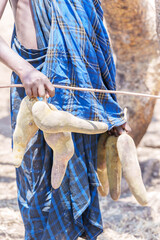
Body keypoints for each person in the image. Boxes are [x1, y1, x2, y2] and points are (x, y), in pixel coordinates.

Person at [0, 0, 130, 239]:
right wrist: (24, 70)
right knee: (36, 187)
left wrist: (109, 109)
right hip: (32, 89)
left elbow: (95, 44)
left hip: (78, 92)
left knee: (73, 188)